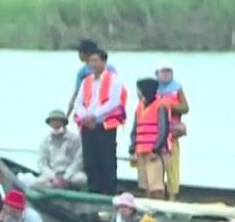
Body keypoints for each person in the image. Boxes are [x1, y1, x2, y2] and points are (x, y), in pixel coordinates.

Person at [71, 49, 126, 195]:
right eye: (90, 61)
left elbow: (114, 102)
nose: (92, 64)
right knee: (90, 160)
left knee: (106, 159)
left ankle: (109, 191)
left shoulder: (113, 79)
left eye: (96, 61)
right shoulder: (86, 81)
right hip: (87, 125)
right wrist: (84, 116)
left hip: (105, 125)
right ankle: (93, 191)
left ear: (104, 62)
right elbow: (79, 102)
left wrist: (94, 115)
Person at [129, 77, 172, 200]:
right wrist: (132, 148)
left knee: (156, 186)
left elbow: (163, 128)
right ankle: (148, 212)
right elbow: (135, 128)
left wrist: (156, 148)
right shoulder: (139, 106)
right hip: (141, 150)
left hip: (154, 152)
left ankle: (158, 211)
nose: (137, 93)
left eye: (139, 90)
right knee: (145, 185)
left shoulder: (161, 105)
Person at [155, 61, 189, 198]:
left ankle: (172, 196)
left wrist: (169, 105)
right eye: (163, 71)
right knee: (157, 166)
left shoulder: (177, 88)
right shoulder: (153, 88)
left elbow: (185, 108)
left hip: (172, 132)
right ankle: (158, 194)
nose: (166, 74)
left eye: (168, 71)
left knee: (172, 166)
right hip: (155, 131)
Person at [33, 110, 85, 189]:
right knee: (36, 183)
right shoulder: (45, 141)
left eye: (58, 121)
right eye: (53, 121)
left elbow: (79, 161)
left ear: (64, 123)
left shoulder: (75, 139)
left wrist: (65, 177)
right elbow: (42, 163)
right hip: (52, 175)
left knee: (81, 179)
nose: (55, 124)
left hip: (71, 175)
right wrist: (53, 177)